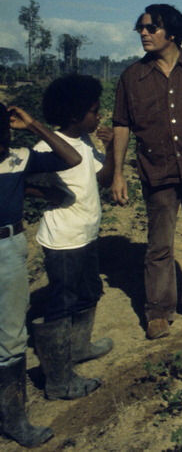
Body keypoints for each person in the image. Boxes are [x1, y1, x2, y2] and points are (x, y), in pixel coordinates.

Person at [111, 4, 182, 340]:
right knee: (159, 245)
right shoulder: (132, 77)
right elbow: (121, 125)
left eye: (151, 28)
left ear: (172, 33)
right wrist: (117, 173)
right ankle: (159, 311)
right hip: (157, 172)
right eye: (141, 29)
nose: (144, 33)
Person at [26, 76, 114, 403]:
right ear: (76, 115)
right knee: (60, 304)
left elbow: (103, 181)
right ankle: (59, 381)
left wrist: (115, 148)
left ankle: (79, 348)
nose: (99, 116)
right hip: (63, 240)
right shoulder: (46, 145)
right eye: (94, 111)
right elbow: (20, 180)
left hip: (86, 234)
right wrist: (46, 192)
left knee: (89, 291)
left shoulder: (85, 142)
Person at [1, 103, 81, 447]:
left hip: (8, 249)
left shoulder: (18, 157)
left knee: (10, 336)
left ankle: (14, 421)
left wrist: (34, 125)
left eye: (4, 129)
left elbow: (72, 159)